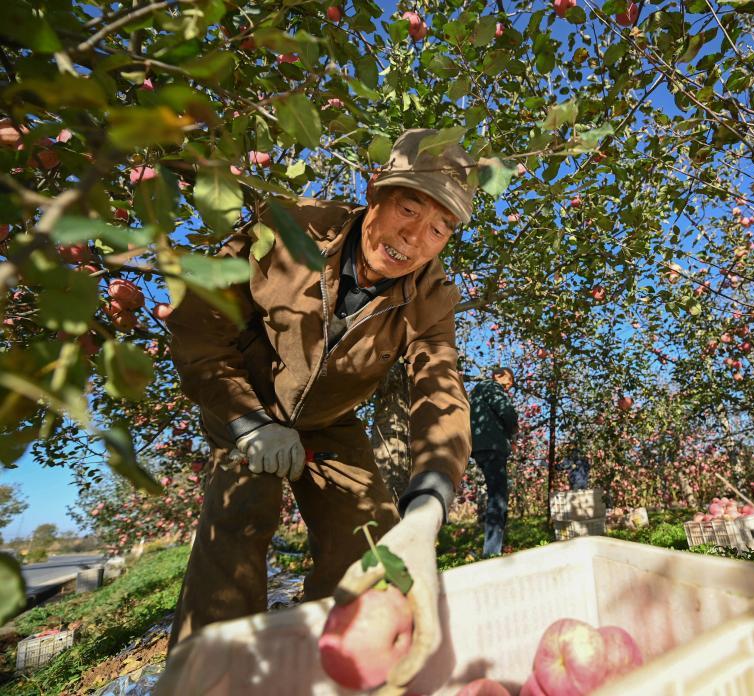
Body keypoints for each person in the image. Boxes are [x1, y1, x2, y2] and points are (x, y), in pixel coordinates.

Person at [163, 129, 474, 691]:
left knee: (375, 541)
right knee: (240, 518)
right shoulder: (293, 228)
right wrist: (247, 421)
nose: (416, 238)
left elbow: (441, 390)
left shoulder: (431, 295)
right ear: (375, 190)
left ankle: (347, 672)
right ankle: (205, 679)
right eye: (408, 209)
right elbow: (198, 320)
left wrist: (430, 501)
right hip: (251, 397)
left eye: (438, 229)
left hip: (331, 421)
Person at [469, 367, 518, 557]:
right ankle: (491, 552)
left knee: (494, 495)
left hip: (480, 447)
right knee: (498, 499)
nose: (509, 385)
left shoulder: (475, 393)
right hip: (493, 446)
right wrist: (514, 429)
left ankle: (491, 548)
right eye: (509, 380)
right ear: (498, 375)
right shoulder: (491, 386)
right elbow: (507, 413)